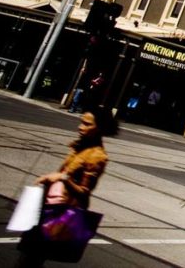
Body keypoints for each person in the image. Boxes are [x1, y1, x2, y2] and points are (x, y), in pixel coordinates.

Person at [17, 107, 118, 266]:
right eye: (81, 122)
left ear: (99, 128)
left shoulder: (97, 156)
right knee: (30, 256)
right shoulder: (81, 147)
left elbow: (84, 192)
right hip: (50, 205)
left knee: (31, 258)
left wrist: (62, 178)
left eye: (86, 124)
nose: (80, 127)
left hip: (62, 212)